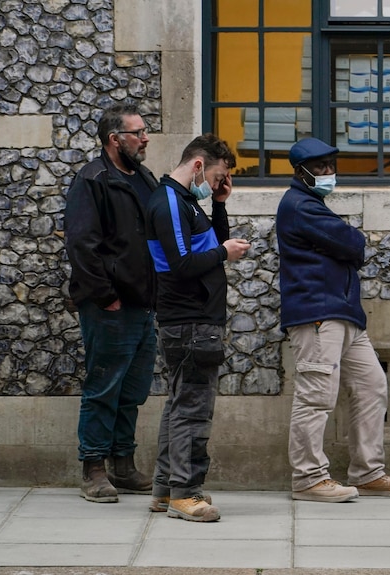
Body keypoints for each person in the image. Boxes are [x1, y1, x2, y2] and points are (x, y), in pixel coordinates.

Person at [276, 137, 390, 503]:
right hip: (319, 314)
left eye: (330, 166)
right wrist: (349, 242)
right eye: (320, 167)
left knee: (372, 386)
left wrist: (346, 244)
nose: (328, 172)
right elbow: (353, 244)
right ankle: (308, 478)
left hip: (343, 314)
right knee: (316, 397)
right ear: (300, 172)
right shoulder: (300, 206)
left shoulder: (312, 204)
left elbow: (348, 245)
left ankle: (368, 471)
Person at [146, 134, 251, 522]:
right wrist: (225, 252)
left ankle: (164, 489)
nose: (218, 182)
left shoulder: (187, 201)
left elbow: (212, 244)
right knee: (192, 409)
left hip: (194, 320)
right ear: (197, 166)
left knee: (179, 405)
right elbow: (183, 264)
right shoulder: (170, 201)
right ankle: (185, 494)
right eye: (218, 175)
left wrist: (220, 204)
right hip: (188, 321)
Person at [65, 103, 158, 503]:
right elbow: (82, 244)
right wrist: (106, 295)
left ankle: (123, 464)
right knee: (104, 386)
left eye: (144, 131)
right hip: (110, 305)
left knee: (133, 390)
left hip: (143, 302)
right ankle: (94, 468)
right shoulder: (92, 179)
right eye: (137, 132)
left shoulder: (144, 177)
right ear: (114, 139)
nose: (145, 138)